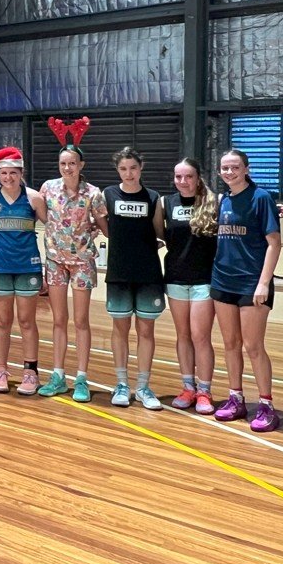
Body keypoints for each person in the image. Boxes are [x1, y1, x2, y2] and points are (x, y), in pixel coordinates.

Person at [211, 149, 282, 432]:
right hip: (222, 281)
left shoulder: (261, 197)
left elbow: (274, 243)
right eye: (225, 169)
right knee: (230, 344)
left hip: (252, 283)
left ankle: (266, 404)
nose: (229, 172)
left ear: (246, 169)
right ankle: (235, 398)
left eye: (235, 168)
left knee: (253, 346)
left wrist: (264, 282)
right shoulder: (223, 200)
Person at [37, 142, 108, 403]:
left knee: (80, 321)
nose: (67, 167)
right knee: (58, 319)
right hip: (55, 261)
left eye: (72, 163)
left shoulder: (93, 193)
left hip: (82, 262)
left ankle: (81, 377)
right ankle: (57, 375)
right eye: (63, 163)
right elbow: (46, 219)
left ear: (81, 165)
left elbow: (104, 226)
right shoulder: (48, 188)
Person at [103, 147, 166, 411]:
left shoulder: (153, 197)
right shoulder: (107, 194)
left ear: (141, 168)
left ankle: (143, 386)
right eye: (123, 169)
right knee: (120, 329)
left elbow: (159, 233)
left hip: (148, 274)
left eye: (133, 168)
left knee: (145, 331)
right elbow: (105, 228)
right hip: (119, 273)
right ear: (118, 170)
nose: (128, 173)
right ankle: (121, 384)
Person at [0, 147, 46, 396]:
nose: (8, 177)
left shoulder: (33, 198)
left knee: (27, 321)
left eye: (13, 173)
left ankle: (31, 372)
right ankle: (0, 370)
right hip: (0, 266)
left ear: (21, 173)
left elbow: (53, 228)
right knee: (1, 321)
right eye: (3, 173)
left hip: (27, 266)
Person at [161, 158, 220, 415]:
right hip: (175, 278)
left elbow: (244, 211)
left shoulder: (214, 202)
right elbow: (158, 235)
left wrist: (274, 209)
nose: (183, 182)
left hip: (204, 279)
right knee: (183, 335)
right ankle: (188, 387)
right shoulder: (166, 203)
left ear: (198, 178)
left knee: (200, 336)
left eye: (188, 177)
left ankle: (205, 391)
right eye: (178, 177)